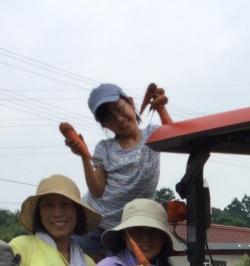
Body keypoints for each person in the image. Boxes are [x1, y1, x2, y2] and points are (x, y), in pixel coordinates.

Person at [65, 82, 172, 256]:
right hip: (91, 222)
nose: (119, 119)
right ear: (104, 125)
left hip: (125, 227)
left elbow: (175, 138)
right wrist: (84, 156)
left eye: (119, 109)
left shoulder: (153, 135)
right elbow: (97, 190)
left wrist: (160, 109)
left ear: (130, 102)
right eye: (109, 118)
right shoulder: (105, 148)